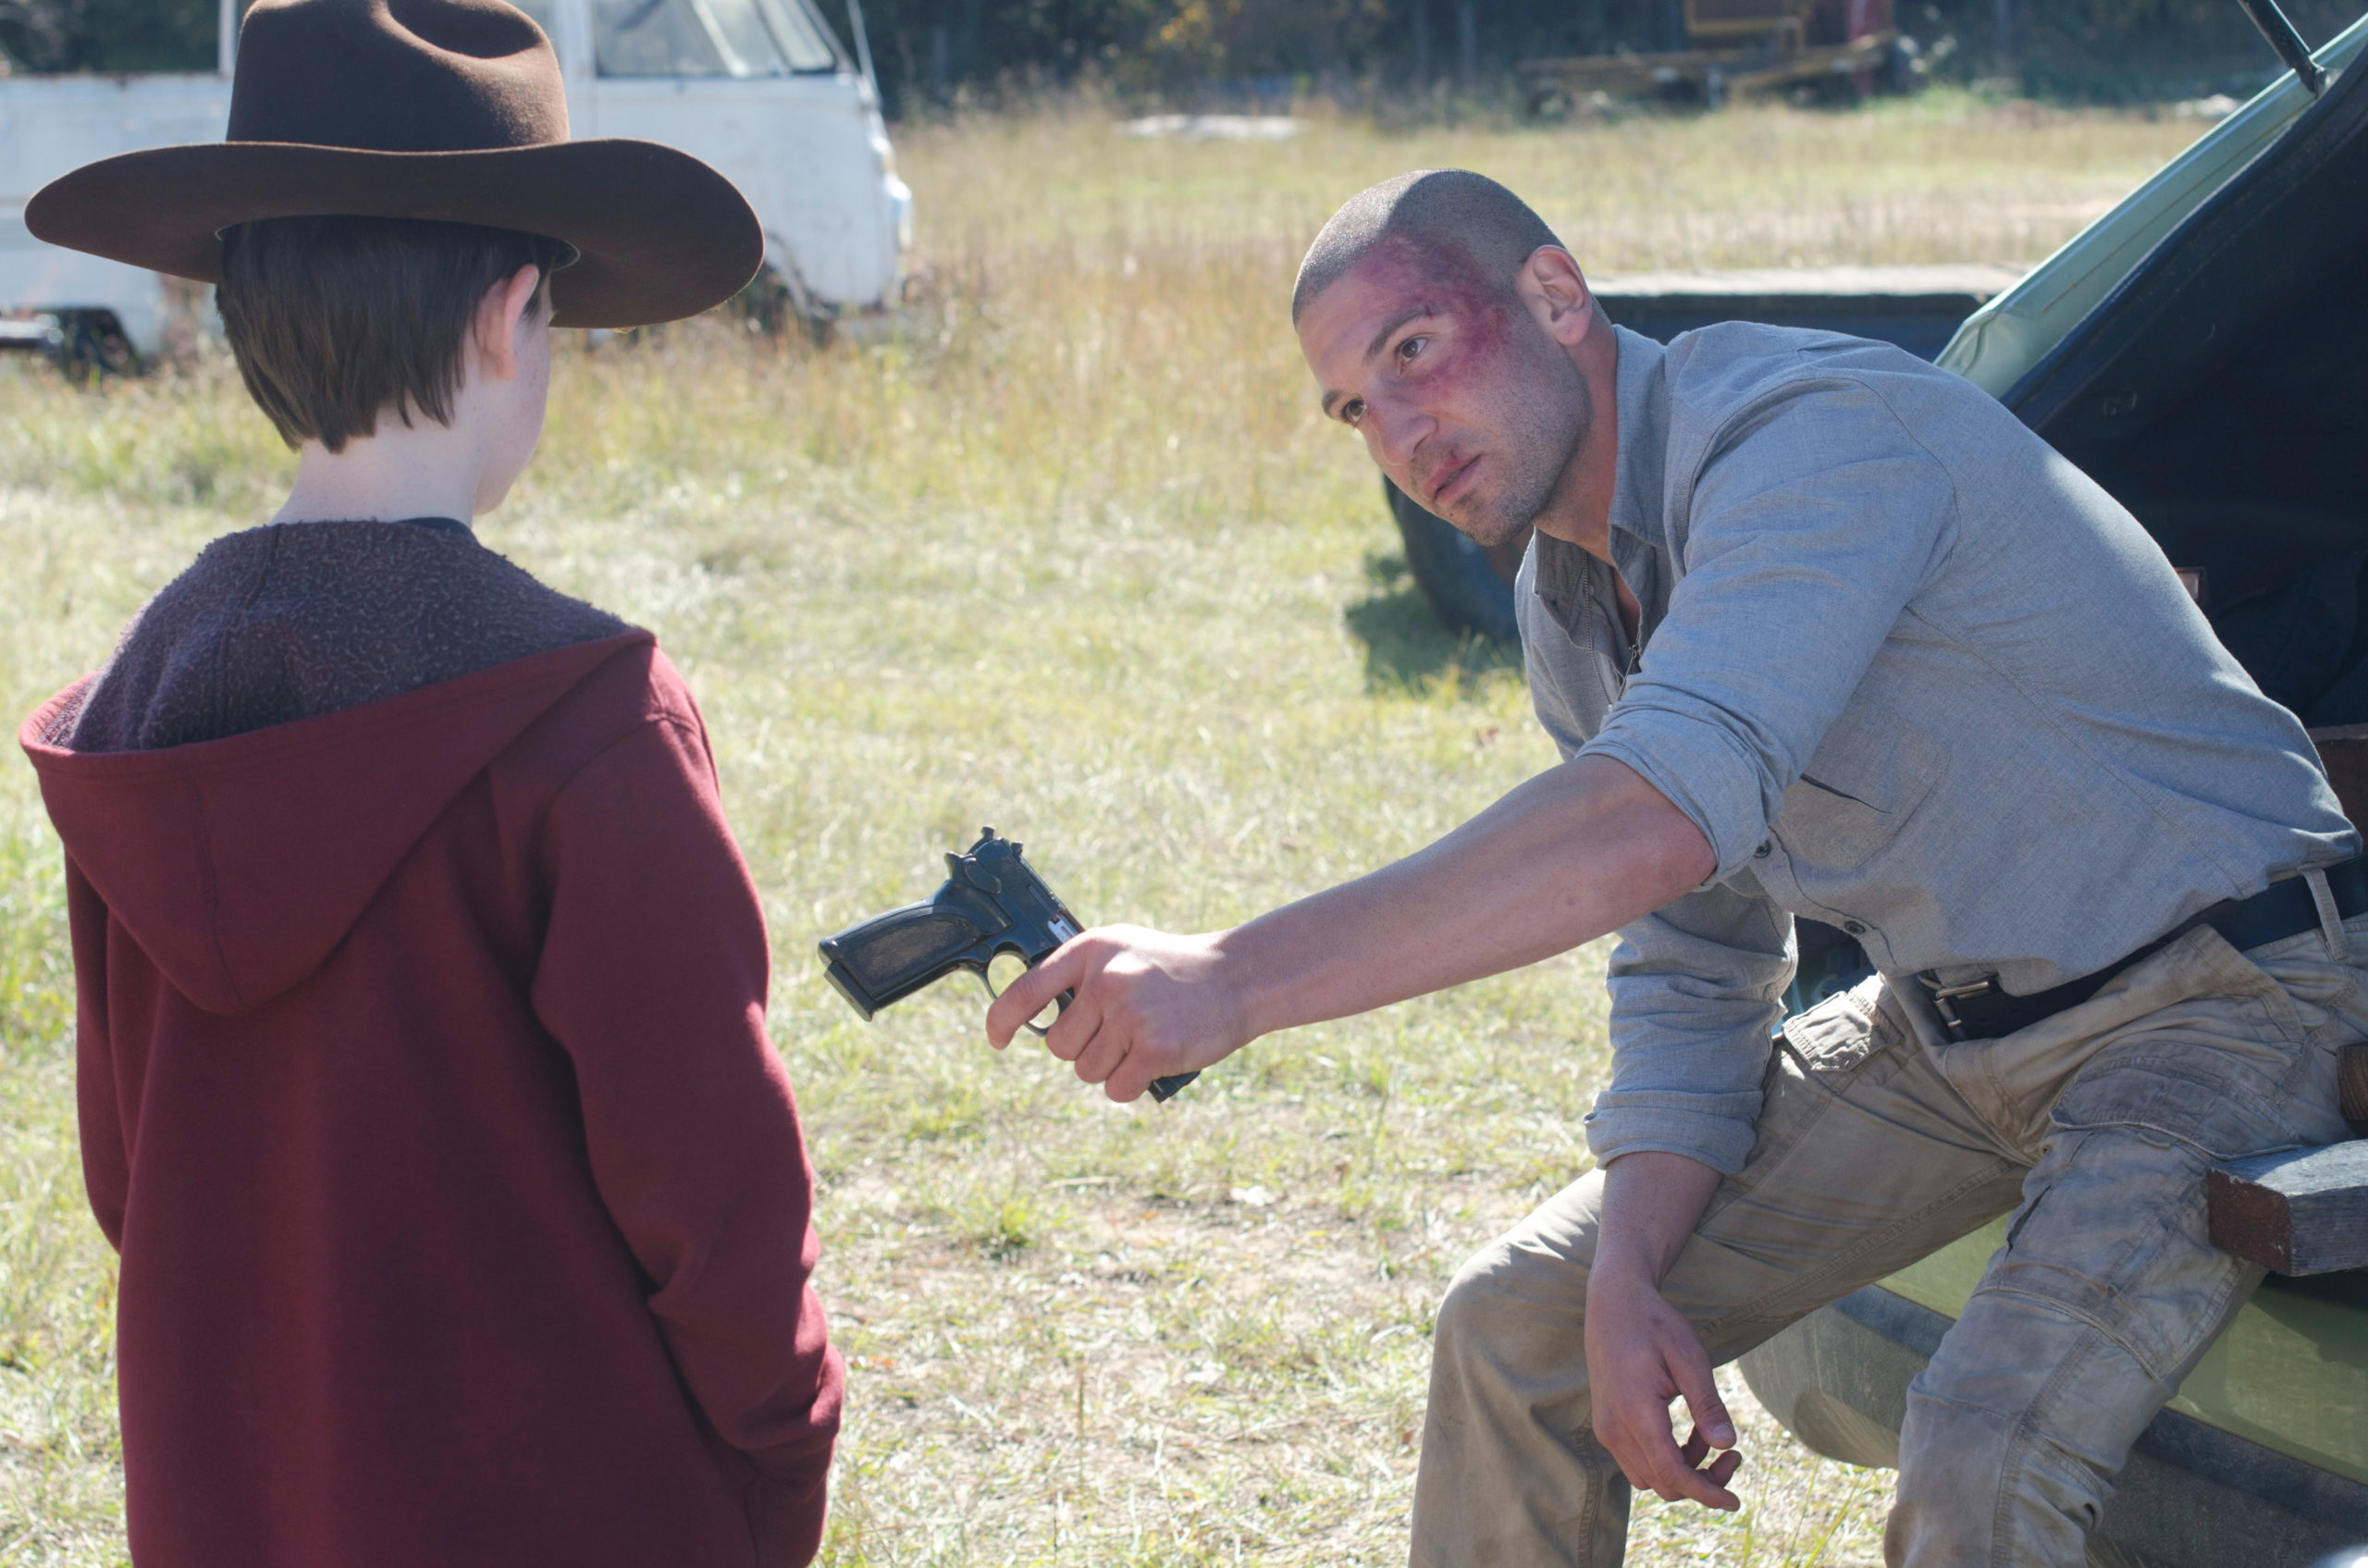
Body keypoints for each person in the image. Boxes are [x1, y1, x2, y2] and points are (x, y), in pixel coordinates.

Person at [983, 168, 2368, 1564]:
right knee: (1517, 1327)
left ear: (1556, 294)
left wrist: (1234, 976)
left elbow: (1655, 816)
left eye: (1413, 351)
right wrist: (1630, 1275)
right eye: (1354, 408)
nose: (1399, 434)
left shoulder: (1811, 439)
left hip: (2224, 998)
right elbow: (1695, 949)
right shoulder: (1569, 593)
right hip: (1947, 1030)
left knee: (1981, 1464)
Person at [18, 2, 840, 1563]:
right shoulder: (589, 720)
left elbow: (137, 1180)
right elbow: (720, 1195)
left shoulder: (138, 709)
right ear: (511, 313)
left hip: (241, 1505)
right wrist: (779, 1453)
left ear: (239, 316)